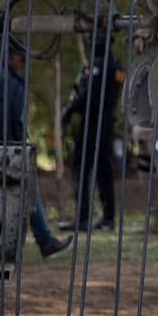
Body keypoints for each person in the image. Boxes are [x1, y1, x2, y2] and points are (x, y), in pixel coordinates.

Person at [0, 39, 72, 276]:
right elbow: (8, 120)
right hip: (2, 150)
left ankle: (43, 241)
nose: (21, 63)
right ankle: (41, 242)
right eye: (20, 58)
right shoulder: (9, 81)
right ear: (13, 57)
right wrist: (18, 150)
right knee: (8, 193)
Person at [59, 41, 124, 232]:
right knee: (104, 169)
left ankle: (82, 217)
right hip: (106, 123)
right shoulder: (117, 66)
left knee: (81, 167)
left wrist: (69, 110)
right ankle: (108, 218)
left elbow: (87, 93)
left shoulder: (97, 65)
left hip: (92, 122)